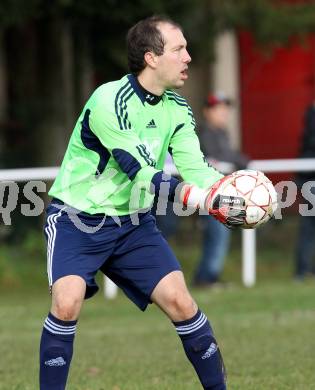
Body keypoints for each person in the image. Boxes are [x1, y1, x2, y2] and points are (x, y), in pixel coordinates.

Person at [39, 16, 246, 390]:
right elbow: (139, 173)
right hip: (76, 220)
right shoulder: (109, 100)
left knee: (181, 303)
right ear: (151, 58)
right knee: (66, 304)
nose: (188, 57)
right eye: (179, 49)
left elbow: (196, 169)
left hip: (132, 223)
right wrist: (202, 199)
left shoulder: (177, 109)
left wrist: (230, 191)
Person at [193, 93, 248, 287]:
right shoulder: (204, 133)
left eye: (226, 108)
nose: (224, 113)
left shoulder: (221, 132)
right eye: (219, 108)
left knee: (218, 234)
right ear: (207, 112)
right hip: (210, 193)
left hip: (220, 193)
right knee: (217, 233)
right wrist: (242, 161)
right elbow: (220, 156)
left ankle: (206, 276)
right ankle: (207, 277)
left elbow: (228, 157)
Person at [294, 101, 315, 280]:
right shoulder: (312, 115)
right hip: (310, 179)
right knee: (308, 228)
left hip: (307, 178)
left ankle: (303, 270)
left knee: (308, 228)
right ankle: (302, 270)